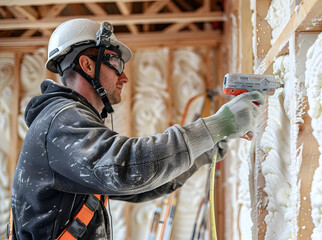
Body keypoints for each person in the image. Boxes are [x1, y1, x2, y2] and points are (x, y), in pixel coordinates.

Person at [9, 18, 264, 240]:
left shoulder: (65, 122)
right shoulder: (61, 120)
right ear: (87, 65)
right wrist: (216, 126)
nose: (124, 77)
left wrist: (206, 149)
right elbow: (126, 167)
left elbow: (139, 185)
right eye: (116, 63)